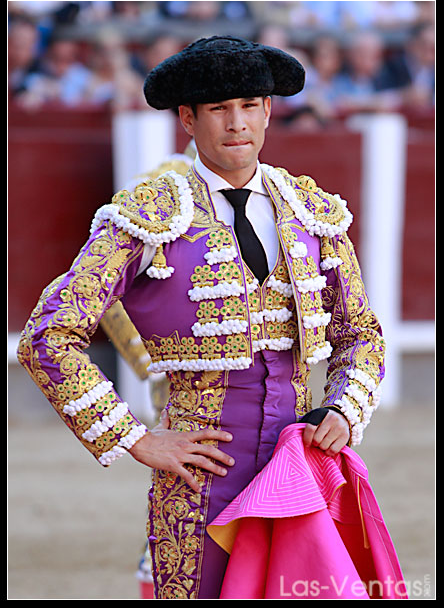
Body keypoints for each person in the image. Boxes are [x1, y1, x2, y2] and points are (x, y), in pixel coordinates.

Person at [18, 36, 396, 599]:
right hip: (200, 479)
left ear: (268, 111)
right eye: (219, 109)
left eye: (249, 106)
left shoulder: (311, 210)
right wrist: (134, 438)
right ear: (188, 120)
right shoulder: (148, 215)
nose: (237, 123)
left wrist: (344, 407)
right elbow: (47, 335)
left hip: (298, 467)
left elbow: (360, 332)